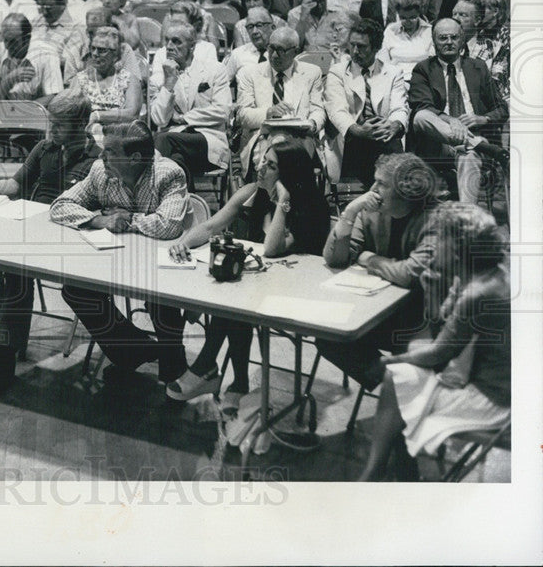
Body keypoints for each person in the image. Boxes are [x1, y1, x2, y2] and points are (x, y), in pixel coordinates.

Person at [166, 138, 329, 407]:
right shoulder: (252, 191)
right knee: (231, 296)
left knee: (234, 301)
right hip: (258, 287)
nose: (261, 168)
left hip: (299, 292)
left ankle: (211, 370)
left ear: (288, 173)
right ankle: (232, 381)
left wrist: (283, 202)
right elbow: (210, 227)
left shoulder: (310, 206)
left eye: (271, 165)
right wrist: (183, 243)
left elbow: (273, 249)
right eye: (263, 160)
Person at [0, 91, 102, 396]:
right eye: (50, 122)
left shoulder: (97, 161)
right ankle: (4, 357)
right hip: (31, 231)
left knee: (17, 276)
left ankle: (3, 359)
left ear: (82, 124)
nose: (52, 129)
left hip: (68, 239)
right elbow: (15, 186)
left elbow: (96, 210)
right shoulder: (45, 147)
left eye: (60, 124)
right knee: (14, 272)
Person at [357, 202, 510, 482]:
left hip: (495, 401)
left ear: (456, 248)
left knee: (397, 378)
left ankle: (376, 470)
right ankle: (392, 467)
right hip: (494, 382)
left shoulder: (477, 292)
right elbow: (443, 329)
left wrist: (392, 359)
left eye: (441, 238)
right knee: (402, 373)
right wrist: (433, 291)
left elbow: (440, 351)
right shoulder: (487, 274)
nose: (435, 245)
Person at [51, 121, 190, 385]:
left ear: (135, 158)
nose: (101, 156)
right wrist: (99, 221)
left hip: (160, 265)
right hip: (114, 258)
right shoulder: (99, 171)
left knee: (160, 297)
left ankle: (172, 362)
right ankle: (134, 351)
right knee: (76, 289)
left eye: (110, 152)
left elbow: (170, 225)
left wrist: (130, 219)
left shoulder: (169, 173)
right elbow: (60, 205)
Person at [316, 153, 439, 395]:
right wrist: (350, 212)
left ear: (406, 190)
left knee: (414, 358)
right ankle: (395, 391)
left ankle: (403, 395)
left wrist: (368, 258)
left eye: (381, 184)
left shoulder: (435, 218)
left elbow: (408, 274)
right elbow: (334, 259)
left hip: (425, 319)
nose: (372, 189)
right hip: (381, 312)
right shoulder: (370, 212)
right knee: (330, 337)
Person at [408, 19, 508, 203]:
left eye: (454, 37)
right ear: (434, 41)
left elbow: (502, 108)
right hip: (438, 144)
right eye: (443, 38)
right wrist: (450, 120)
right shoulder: (424, 69)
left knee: (468, 156)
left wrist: (483, 119)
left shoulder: (478, 67)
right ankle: (477, 144)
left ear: (462, 40)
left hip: (471, 139)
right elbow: (421, 105)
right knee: (421, 117)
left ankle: (468, 222)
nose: (449, 42)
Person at [323, 18, 408, 187]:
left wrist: (395, 125)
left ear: (376, 48)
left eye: (361, 47)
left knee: (389, 146)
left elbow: (399, 107)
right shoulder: (338, 72)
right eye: (352, 45)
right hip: (352, 136)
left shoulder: (393, 72)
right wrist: (358, 130)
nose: (354, 51)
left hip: (384, 135)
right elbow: (336, 110)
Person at [150, 20, 231, 191]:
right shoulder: (160, 78)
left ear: (192, 46)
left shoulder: (215, 70)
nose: (169, 46)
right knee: (176, 161)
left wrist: (184, 118)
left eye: (176, 41)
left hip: (208, 142)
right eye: (167, 41)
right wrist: (169, 82)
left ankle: (150, 194)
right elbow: (159, 120)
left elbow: (222, 111)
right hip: (175, 144)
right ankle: (189, 208)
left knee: (163, 139)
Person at [235, 26, 325, 178]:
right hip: (263, 138)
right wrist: (269, 112)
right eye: (271, 49)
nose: (274, 55)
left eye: (281, 50)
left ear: (295, 52)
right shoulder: (249, 74)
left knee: (293, 158)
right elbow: (242, 115)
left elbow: (318, 109)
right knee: (278, 158)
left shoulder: (311, 73)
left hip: (300, 137)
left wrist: (312, 123)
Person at [67, 26, 143, 129]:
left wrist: (98, 116)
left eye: (101, 50)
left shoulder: (129, 79)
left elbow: (132, 114)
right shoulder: (80, 79)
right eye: (93, 48)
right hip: (87, 135)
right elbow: (71, 112)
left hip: (120, 135)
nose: (95, 54)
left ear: (115, 54)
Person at [0, 14, 63, 104]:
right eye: (5, 40)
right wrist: (9, 80)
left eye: (13, 41)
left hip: (37, 114)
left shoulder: (47, 53)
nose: (7, 46)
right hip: (1, 113)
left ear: (27, 38)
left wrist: (22, 111)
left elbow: (54, 97)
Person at [30, 0, 88, 76]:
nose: (44, 12)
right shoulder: (37, 21)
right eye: (41, 6)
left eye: (49, 8)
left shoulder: (76, 28)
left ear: (63, 3)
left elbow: (70, 64)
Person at [377, 0, 434, 82]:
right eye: (403, 18)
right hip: (395, 80)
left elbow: (432, 63)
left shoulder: (430, 31)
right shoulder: (390, 31)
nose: (408, 22)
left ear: (419, 12)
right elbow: (383, 61)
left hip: (423, 80)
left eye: (412, 17)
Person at [467, 0, 510, 105]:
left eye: (482, 9)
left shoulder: (506, 36)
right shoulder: (479, 33)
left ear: (495, 12)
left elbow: (501, 73)